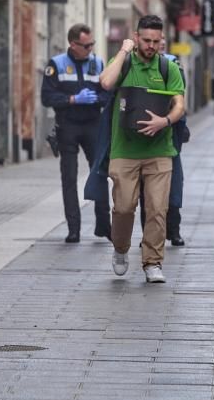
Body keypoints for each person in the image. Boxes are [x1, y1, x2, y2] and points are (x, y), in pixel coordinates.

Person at [100, 15, 185, 284]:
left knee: (158, 209)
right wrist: (123, 50)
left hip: (160, 150)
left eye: (156, 41)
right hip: (124, 150)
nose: (151, 45)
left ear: (162, 41)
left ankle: (152, 262)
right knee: (124, 207)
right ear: (136, 38)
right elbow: (105, 82)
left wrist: (166, 121)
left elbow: (180, 104)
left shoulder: (167, 67)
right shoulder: (124, 62)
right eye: (146, 40)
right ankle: (121, 248)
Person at [41, 23, 111, 243]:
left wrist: (97, 99)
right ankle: (74, 229)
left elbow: (109, 94)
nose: (90, 48)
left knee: (99, 173)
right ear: (73, 44)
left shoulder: (98, 63)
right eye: (86, 45)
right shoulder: (57, 65)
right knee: (69, 178)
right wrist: (71, 99)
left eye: (92, 44)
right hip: (68, 125)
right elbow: (47, 97)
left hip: (93, 124)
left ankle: (103, 225)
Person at [139, 37, 189, 246]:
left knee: (174, 183)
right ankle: (147, 235)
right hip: (146, 128)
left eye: (159, 41)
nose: (156, 45)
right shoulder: (137, 65)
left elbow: (180, 97)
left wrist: (182, 124)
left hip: (170, 130)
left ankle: (174, 230)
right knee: (146, 185)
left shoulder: (171, 65)